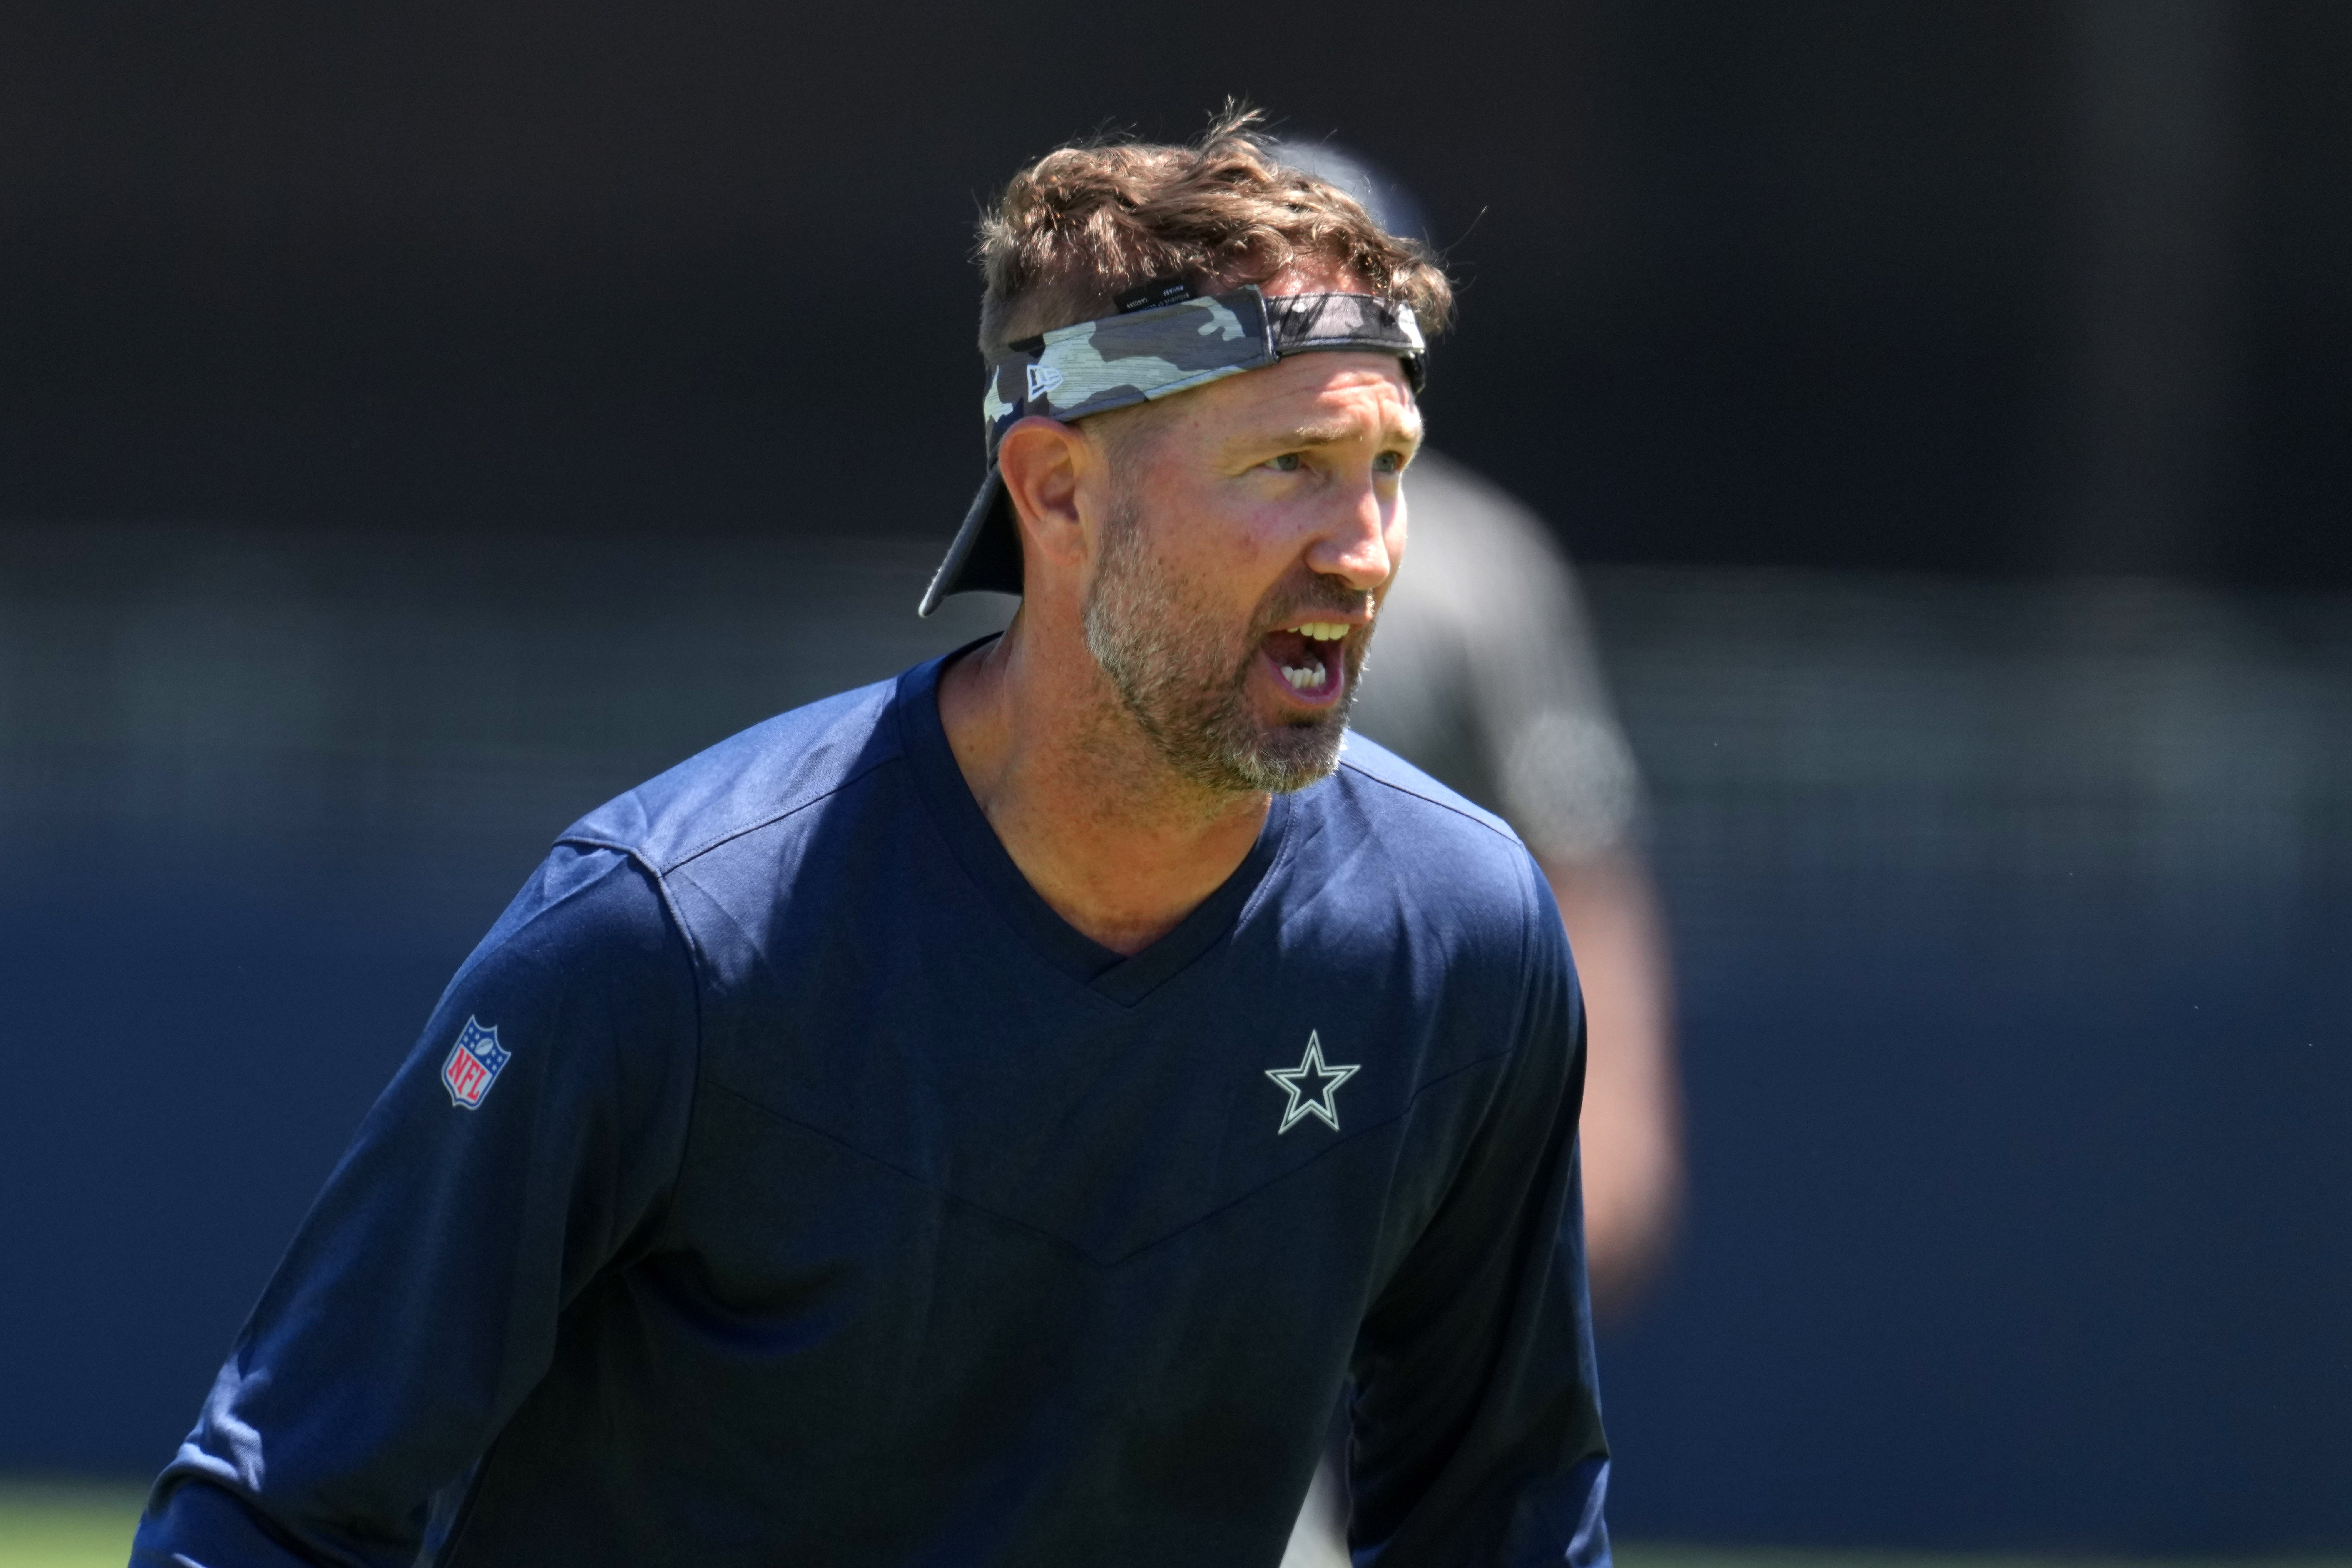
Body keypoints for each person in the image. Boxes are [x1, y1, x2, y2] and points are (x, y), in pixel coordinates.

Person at [132, 112, 1611, 1568]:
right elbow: (275, 1511)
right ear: (1055, 491)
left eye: (1389, 466)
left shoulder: (1462, 938)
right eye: (1290, 462)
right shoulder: (666, 934)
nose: (1366, 548)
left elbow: (1510, 1517)